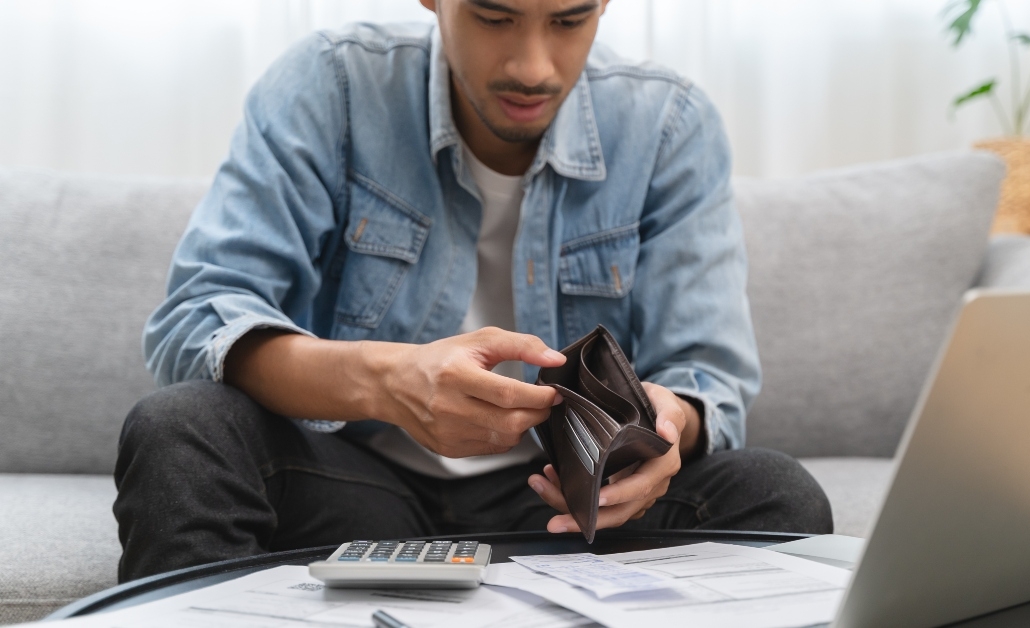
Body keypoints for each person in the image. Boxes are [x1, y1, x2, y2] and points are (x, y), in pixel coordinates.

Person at [113, 0, 832, 583]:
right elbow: (197, 319)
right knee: (179, 428)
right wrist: (384, 381)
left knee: (775, 493)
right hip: (355, 486)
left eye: (569, 19)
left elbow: (706, 378)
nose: (533, 67)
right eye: (494, 16)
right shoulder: (332, 86)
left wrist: (665, 429)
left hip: (561, 509)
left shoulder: (668, 124)